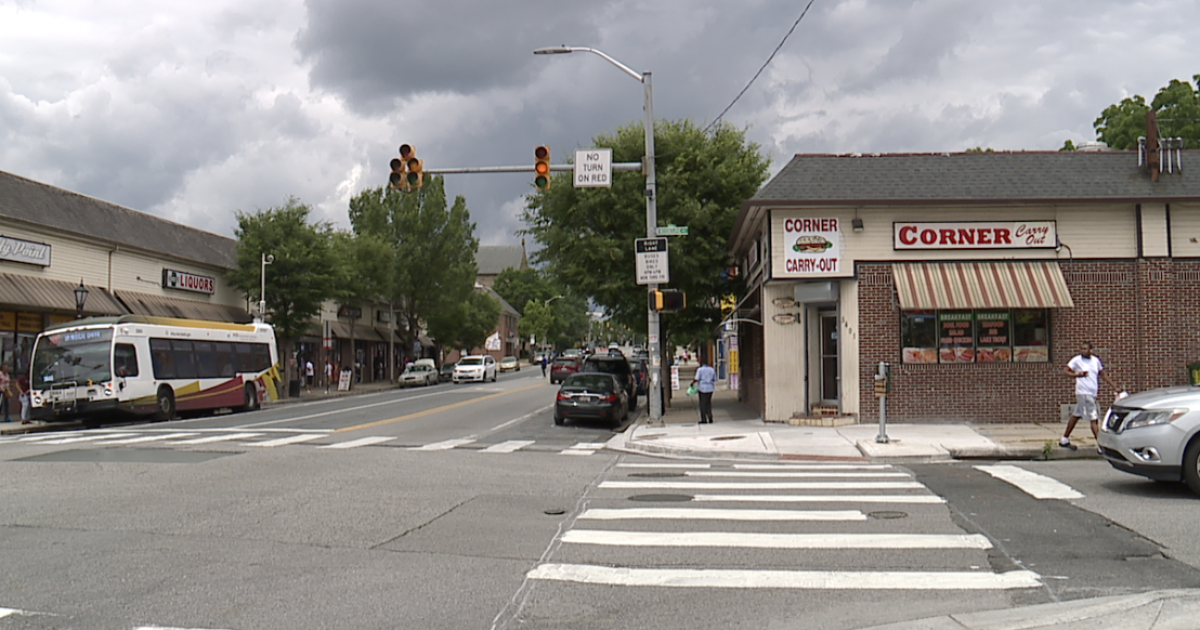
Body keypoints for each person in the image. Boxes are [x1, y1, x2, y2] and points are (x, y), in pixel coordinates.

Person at [1061, 342, 1122, 451]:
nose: (1083, 351)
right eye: (1082, 349)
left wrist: (1115, 387)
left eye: (1085, 349)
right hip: (1084, 393)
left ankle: (1064, 439)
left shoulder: (1095, 361)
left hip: (1092, 393)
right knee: (1094, 418)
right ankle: (1100, 445)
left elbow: (1102, 374)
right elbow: (1065, 371)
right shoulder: (1077, 360)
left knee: (1076, 415)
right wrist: (1077, 375)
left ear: (1091, 350)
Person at [691, 359, 717, 424]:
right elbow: (715, 379)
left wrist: (692, 383)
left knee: (702, 404)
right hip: (710, 388)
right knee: (708, 403)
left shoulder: (700, 370)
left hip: (702, 388)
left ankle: (704, 419)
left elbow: (697, 379)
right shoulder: (712, 369)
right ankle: (710, 417)